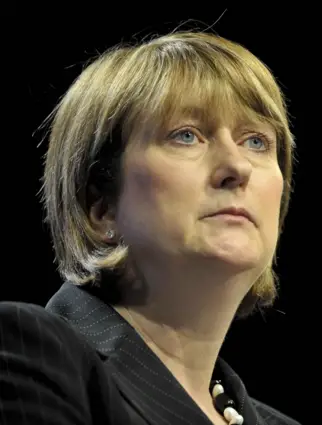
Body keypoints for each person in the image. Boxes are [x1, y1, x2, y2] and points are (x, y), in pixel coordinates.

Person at [0, 31, 300, 425]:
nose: (237, 167)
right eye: (186, 135)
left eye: (257, 142)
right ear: (102, 206)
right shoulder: (31, 355)